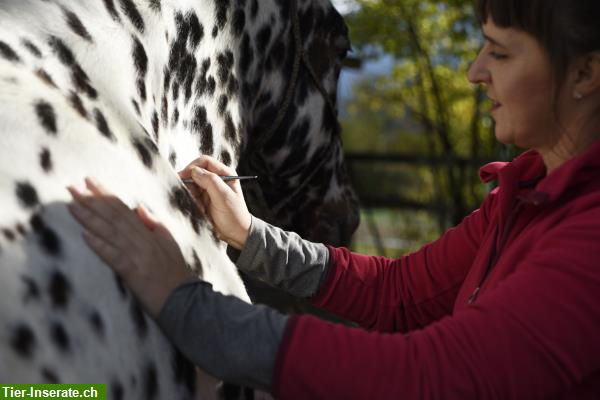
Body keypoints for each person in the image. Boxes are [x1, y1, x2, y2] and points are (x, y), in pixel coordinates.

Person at [67, 0, 600, 398]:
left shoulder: (587, 240)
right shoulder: (520, 198)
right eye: (482, 45)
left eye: (500, 52)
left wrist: (183, 302)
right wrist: (252, 237)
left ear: (584, 73)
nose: (475, 71)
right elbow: (397, 294)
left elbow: (427, 376)